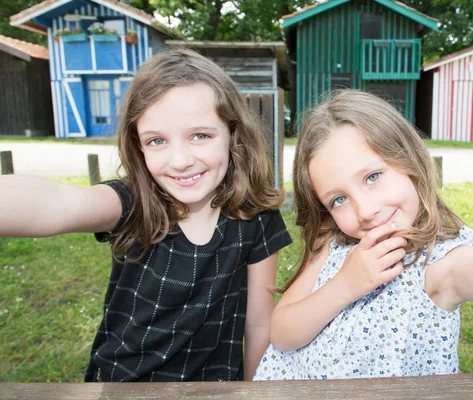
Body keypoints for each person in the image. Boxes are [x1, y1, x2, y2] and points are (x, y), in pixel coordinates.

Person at [253, 90, 473, 380]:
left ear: (412, 163)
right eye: (339, 199)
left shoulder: (440, 266)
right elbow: (282, 334)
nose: (365, 210)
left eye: (373, 177)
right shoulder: (334, 243)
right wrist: (345, 285)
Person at [0, 48, 292, 382]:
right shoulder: (130, 204)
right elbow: (59, 205)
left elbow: (258, 323)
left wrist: (253, 392)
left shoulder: (256, 218)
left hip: (215, 388)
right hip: (122, 387)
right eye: (157, 141)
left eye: (200, 135)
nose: (180, 160)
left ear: (232, 134)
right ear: (138, 146)